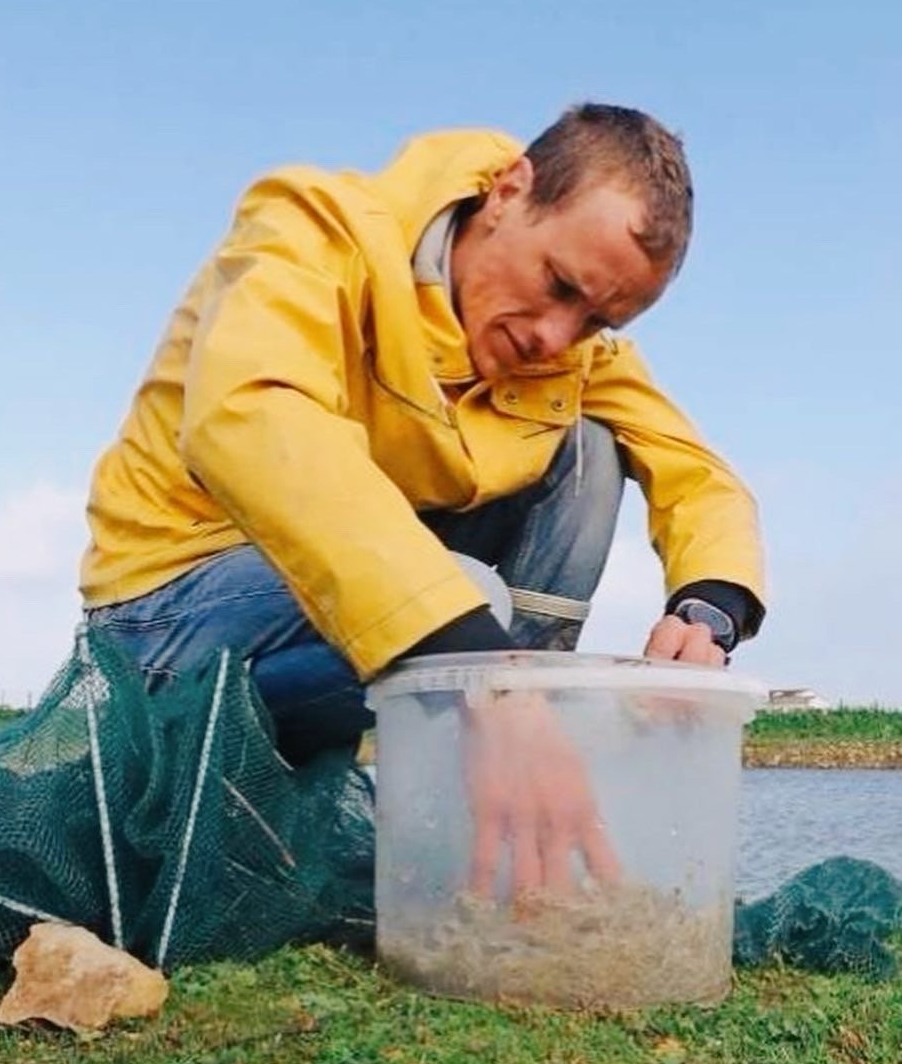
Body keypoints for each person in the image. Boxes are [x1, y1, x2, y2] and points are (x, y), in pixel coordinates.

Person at [79, 103, 766, 900]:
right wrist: (478, 668)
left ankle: (502, 818)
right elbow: (250, 417)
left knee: (592, 450)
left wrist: (709, 609)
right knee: (466, 596)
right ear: (509, 191)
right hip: (162, 613)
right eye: (557, 284)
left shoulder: (566, 352)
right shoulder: (313, 226)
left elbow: (697, 473)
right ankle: (495, 726)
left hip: (360, 616)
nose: (555, 335)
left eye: (595, 320)